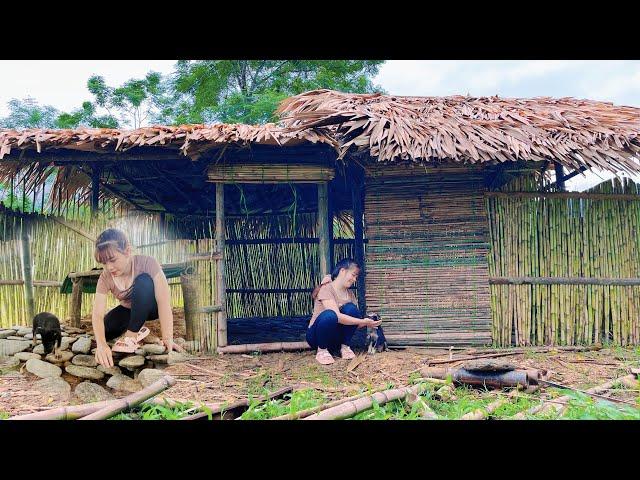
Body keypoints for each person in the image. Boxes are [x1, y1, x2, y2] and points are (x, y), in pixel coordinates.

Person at [91, 228, 183, 368]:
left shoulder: (148, 263)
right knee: (106, 330)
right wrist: (102, 345)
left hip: (151, 307)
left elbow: (163, 302)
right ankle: (140, 330)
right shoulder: (105, 277)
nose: (109, 267)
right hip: (130, 309)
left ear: (127, 251)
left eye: (112, 260)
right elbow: (97, 315)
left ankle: (131, 336)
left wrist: (167, 337)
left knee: (144, 281)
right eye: (104, 263)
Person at [307, 258, 381, 365]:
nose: (355, 279)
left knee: (351, 309)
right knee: (330, 315)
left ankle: (345, 347)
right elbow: (337, 317)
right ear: (342, 271)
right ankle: (322, 350)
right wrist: (362, 322)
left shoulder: (350, 294)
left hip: (335, 338)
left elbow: (354, 322)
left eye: (356, 276)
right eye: (353, 275)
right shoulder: (326, 289)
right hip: (316, 337)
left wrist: (368, 323)